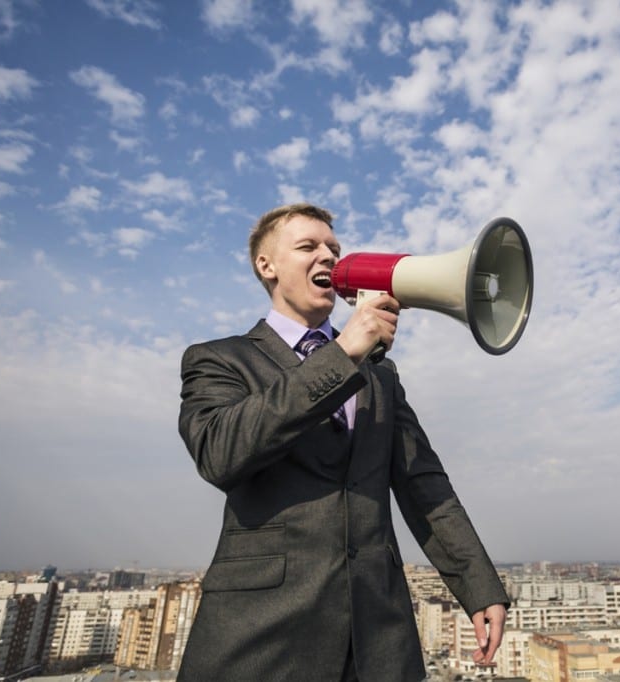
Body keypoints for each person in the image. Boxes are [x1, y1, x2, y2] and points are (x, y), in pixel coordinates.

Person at [176, 202, 509, 681]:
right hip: (262, 634)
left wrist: (479, 586)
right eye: (308, 247)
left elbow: (424, 484)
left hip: (379, 634)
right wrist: (343, 353)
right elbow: (219, 452)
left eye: (334, 248)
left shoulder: (380, 375)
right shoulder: (220, 360)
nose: (327, 256)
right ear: (265, 265)